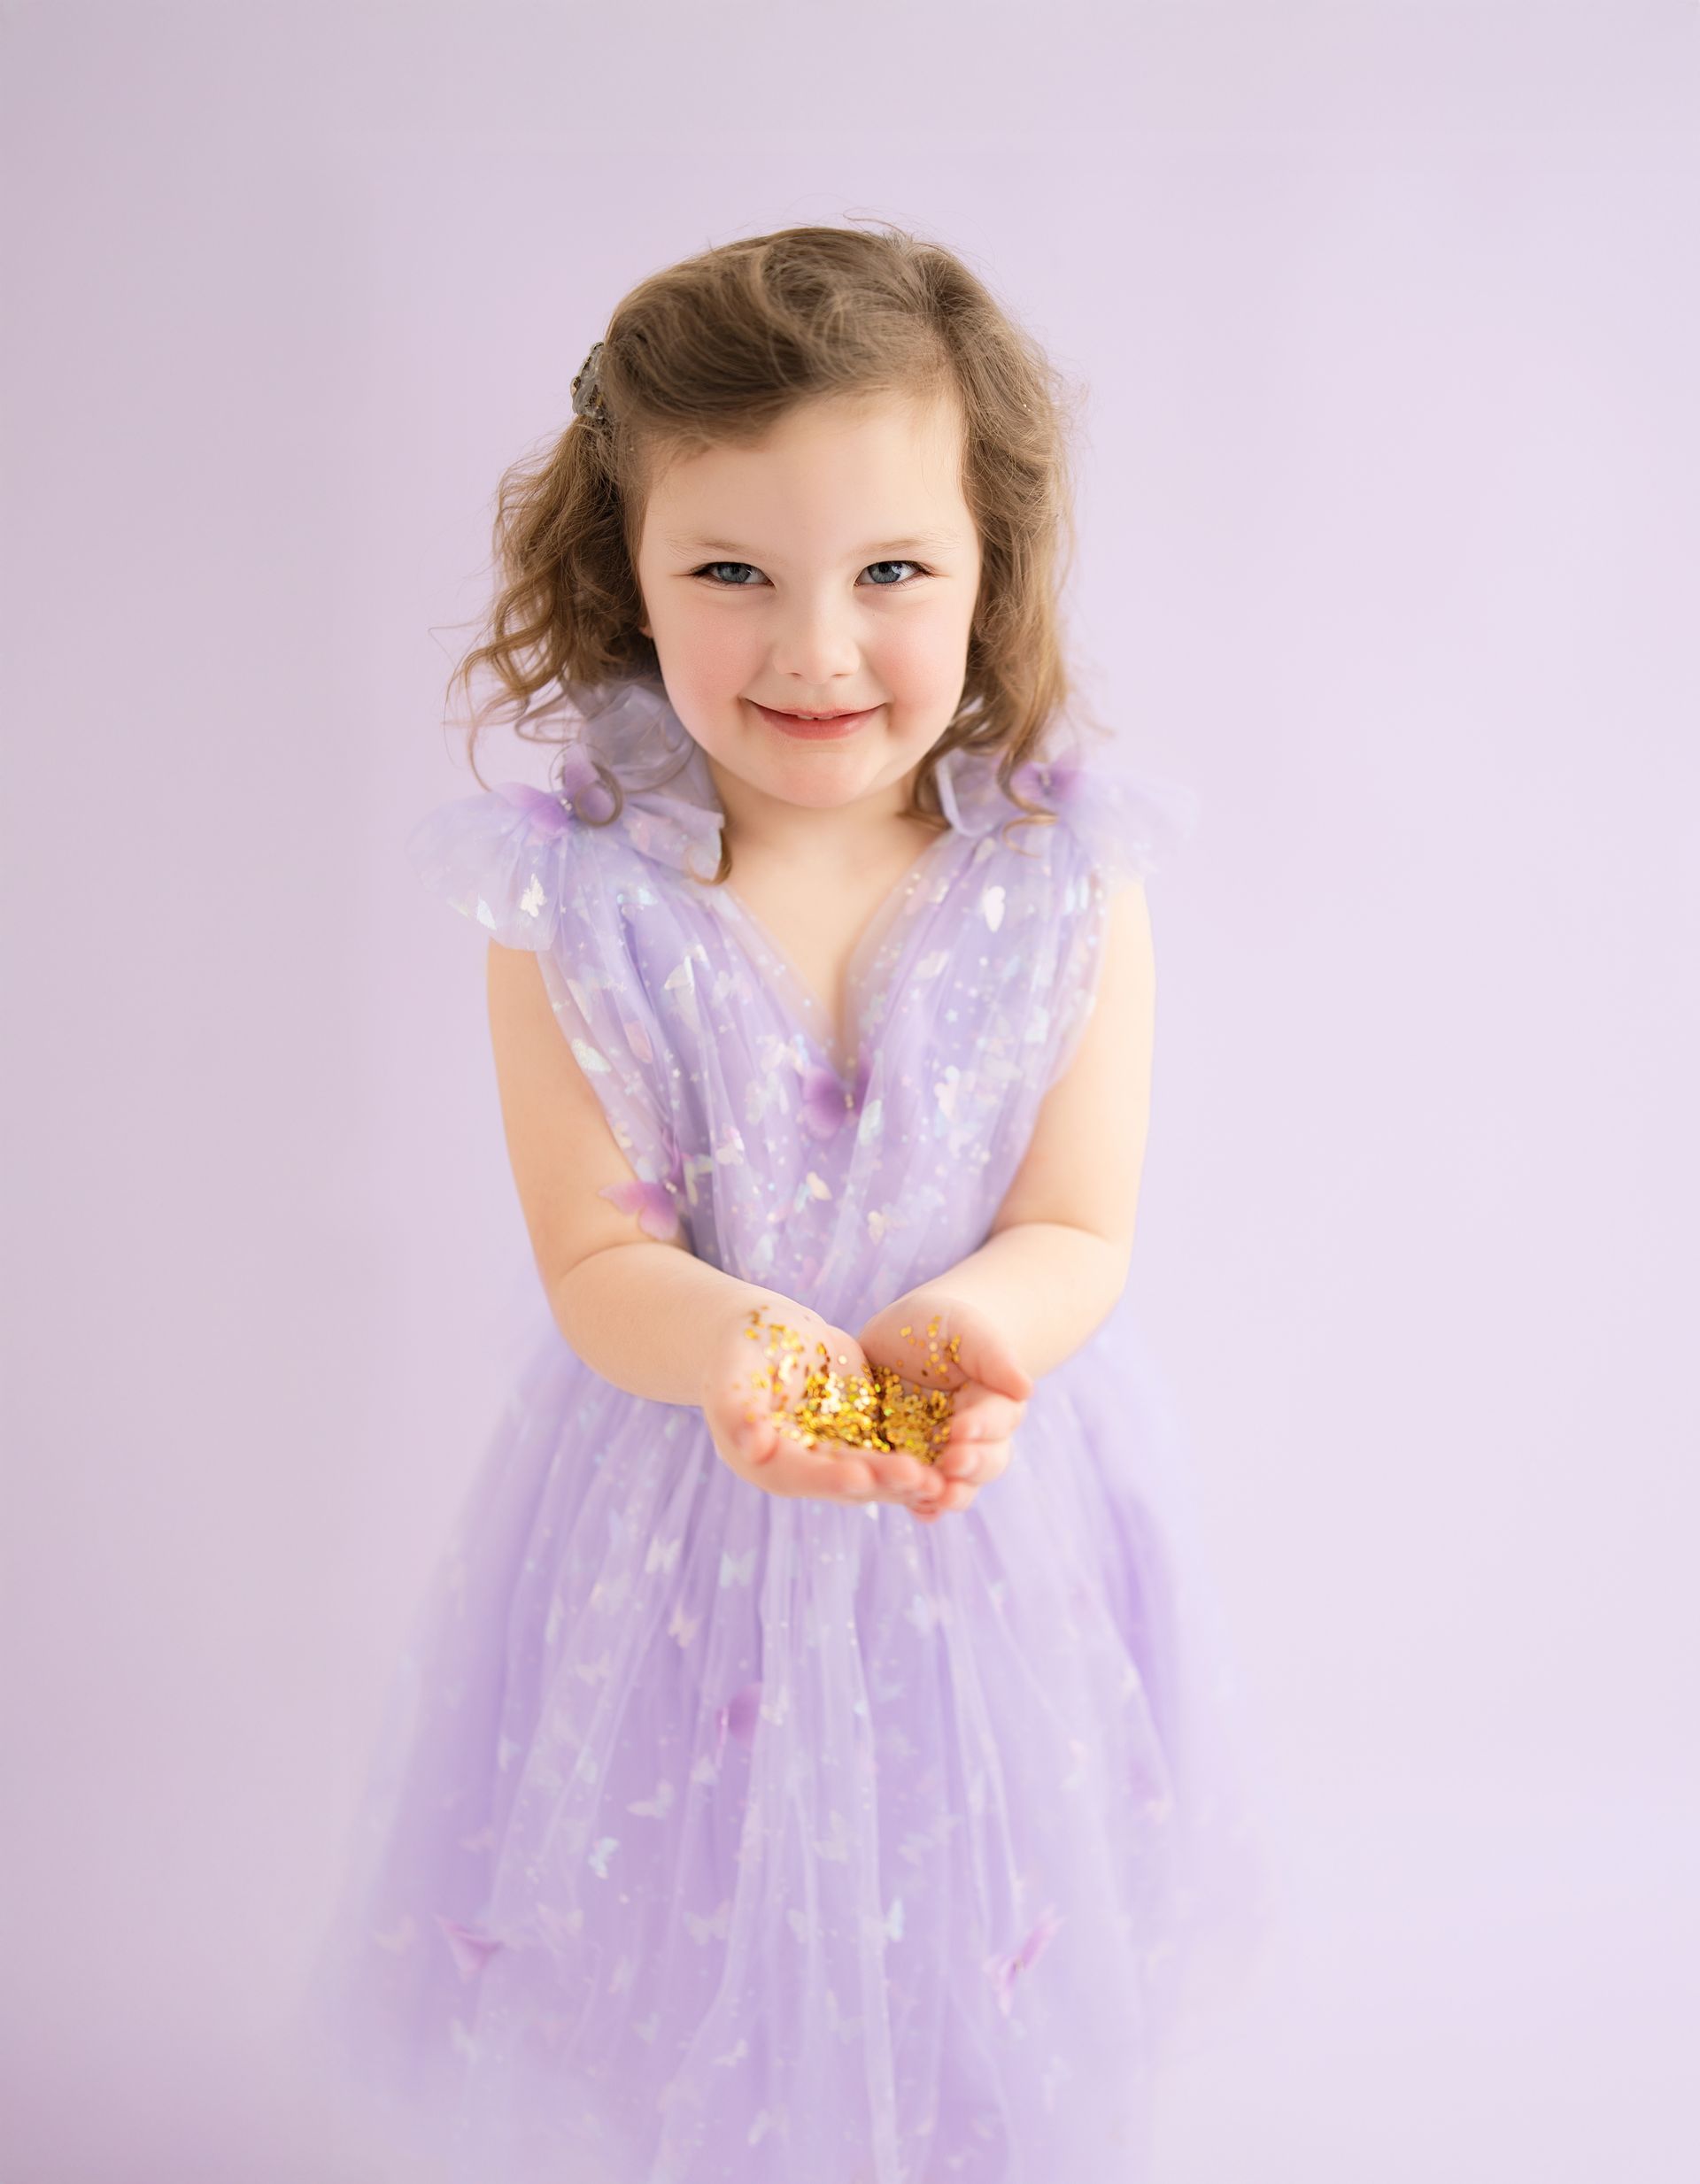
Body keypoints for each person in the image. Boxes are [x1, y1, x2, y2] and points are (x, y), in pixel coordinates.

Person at [298, 220, 1271, 2184]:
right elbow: (595, 1256)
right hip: (679, 1524)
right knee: (700, 1961)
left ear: (989, 565)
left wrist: (971, 1331)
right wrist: (747, 1350)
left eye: (891, 572)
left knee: (980, 1957)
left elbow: (1078, 1225)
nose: (816, 646)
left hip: (972, 1497)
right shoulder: (578, 900)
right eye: (731, 573)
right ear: (627, 574)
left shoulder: (1067, 879)